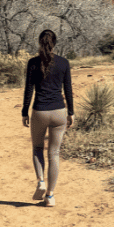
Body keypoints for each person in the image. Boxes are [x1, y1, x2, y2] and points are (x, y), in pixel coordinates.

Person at [22, 29, 74, 207]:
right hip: (59, 111)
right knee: (54, 154)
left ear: (39, 42)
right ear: (55, 43)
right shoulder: (64, 63)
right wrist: (71, 112)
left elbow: (29, 90)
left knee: (37, 148)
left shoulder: (33, 63)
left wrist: (24, 112)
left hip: (40, 112)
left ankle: (40, 182)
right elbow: (68, 89)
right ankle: (50, 196)